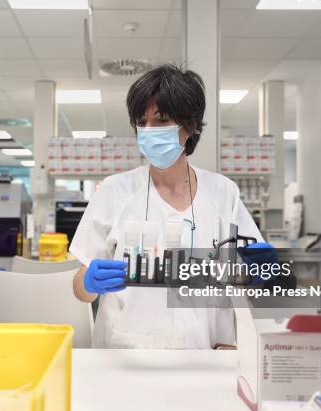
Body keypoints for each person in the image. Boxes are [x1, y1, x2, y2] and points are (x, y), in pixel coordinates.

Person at [70, 64, 263, 349]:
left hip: (205, 353)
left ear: (191, 125)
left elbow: (257, 274)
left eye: (161, 120)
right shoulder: (114, 191)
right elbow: (79, 290)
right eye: (142, 121)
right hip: (127, 354)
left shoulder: (223, 193)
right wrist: (89, 282)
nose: (149, 131)